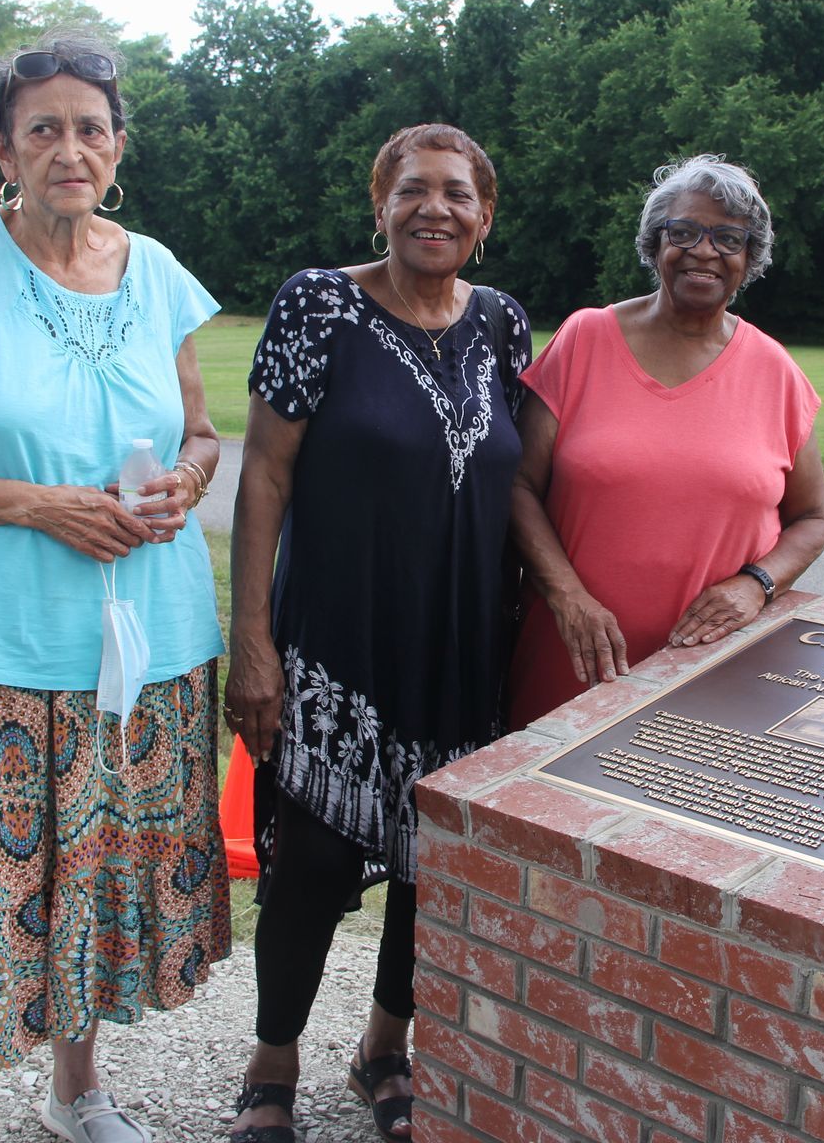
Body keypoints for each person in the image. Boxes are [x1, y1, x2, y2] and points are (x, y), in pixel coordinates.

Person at [0, 31, 231, 1143]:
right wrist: (40, 503)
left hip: (141, 641)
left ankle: (78, 1090)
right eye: (44, 128)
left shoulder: (156, 270)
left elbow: (201, 433)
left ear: (119, 146)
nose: (71, 147)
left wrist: (181, 485)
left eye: (92, 128)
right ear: (1, 149)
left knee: (96, 872)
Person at [225, 123, 528, 1143]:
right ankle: (272, 1064)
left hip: (463, 648)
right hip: (335, 646)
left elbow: (516, 479)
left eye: (457, 193)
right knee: (310, 861)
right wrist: (253, 641)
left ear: (484, 219)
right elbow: (263, 472)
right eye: (413, 190)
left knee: (426, 864)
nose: (434, 208)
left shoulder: (502, 324)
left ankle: (384, 1051)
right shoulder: (320, 303)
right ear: (380, 204)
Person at [505, 155, 824, 728]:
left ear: (750, 258)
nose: (704, 251)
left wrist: (756, 585)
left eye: (729, 238)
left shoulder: (775, 371)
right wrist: (567, 597)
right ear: (655, 243)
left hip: (714, 677)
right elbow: (517, 485)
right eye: (683, 231)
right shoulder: (585, 338)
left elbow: (812, 519)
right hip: (575, 661)